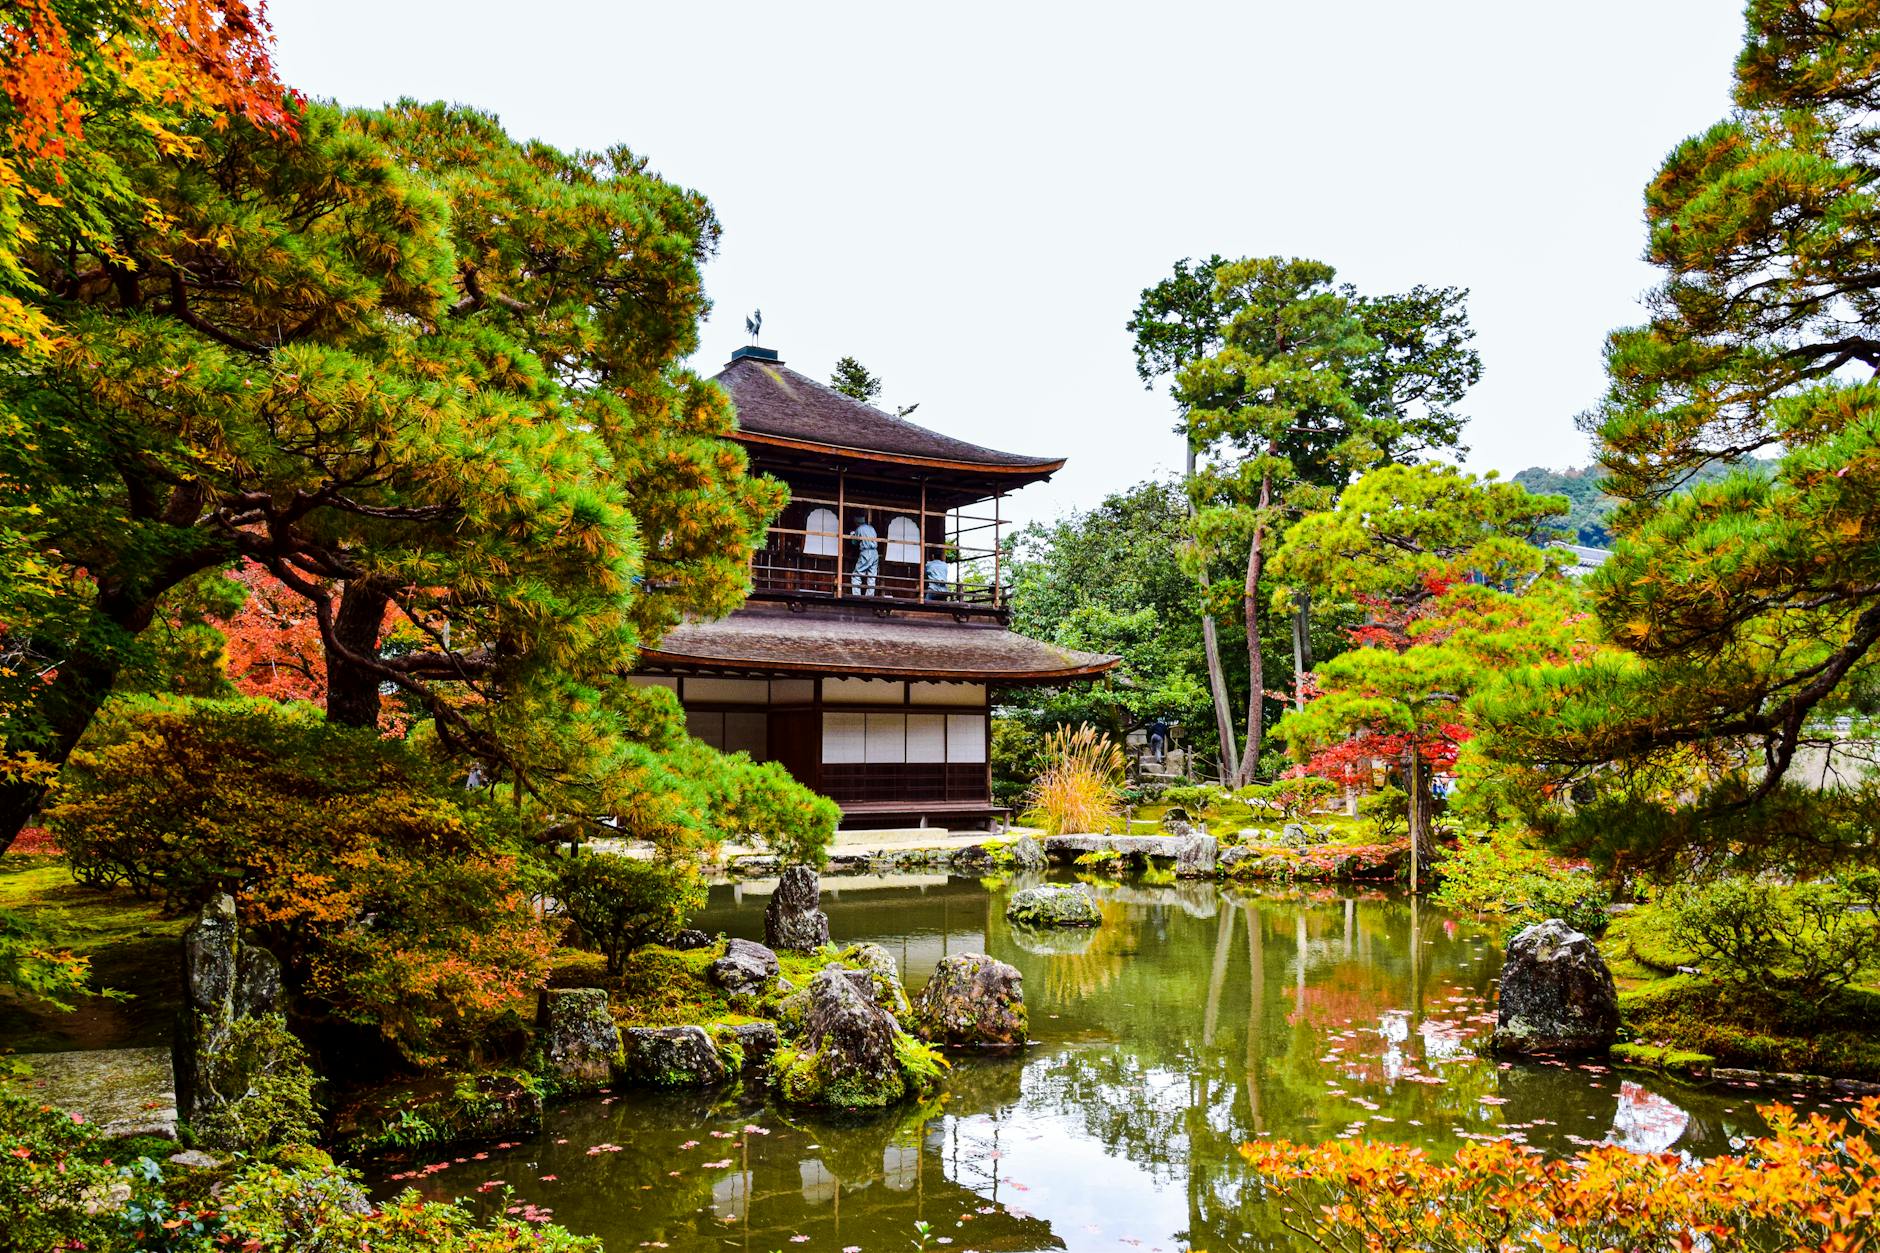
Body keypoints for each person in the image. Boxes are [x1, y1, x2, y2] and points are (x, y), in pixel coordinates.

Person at [850, 514, 879, 596]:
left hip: (866, 552)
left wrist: (852, 535)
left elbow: (854, 542)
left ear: (857, 522)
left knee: (856, 575)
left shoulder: (859, 529)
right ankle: (870, 596)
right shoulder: (871, 528)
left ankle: (856, 596)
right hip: (875, 553)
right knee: (872, 576)